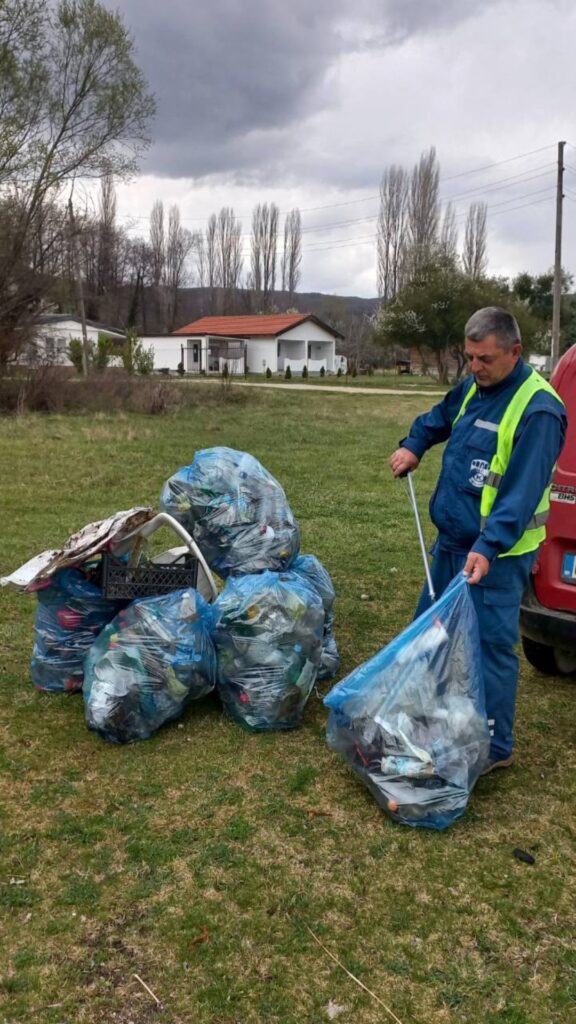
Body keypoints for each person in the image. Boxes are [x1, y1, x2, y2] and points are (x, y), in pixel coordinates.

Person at [389, 307, 567, 774]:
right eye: (469, 357)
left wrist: (488, 548)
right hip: (451, 543)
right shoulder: (473, 387)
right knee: (428, 633)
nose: (475, 368)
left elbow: (521, 494)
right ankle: (428, 721)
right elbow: (441, 416)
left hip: (497, 556)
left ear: (514, 352)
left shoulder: (539, 410)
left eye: (484, 358)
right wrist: (415, 443)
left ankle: (494, 744)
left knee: (489, 648)